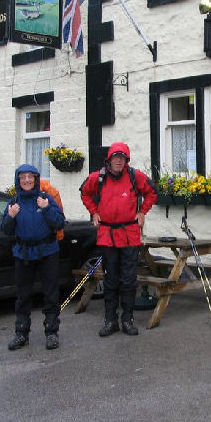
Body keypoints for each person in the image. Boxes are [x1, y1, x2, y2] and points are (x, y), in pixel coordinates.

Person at [80, 143, 157, 337]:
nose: (118, 161)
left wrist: (142, 212)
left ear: (126, 160)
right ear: (109, 159)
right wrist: (94, 212)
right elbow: (85, 192)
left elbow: (152, 192)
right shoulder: (97, 178)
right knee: (110, 279)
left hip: (129, 234)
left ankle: (127, 319)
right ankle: (110, 320)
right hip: (107, 234)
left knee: (129, 279)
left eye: (122, 158)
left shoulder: (135, 176)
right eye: (115, 157)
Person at [1, 164, 66, 351]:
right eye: (23, 177)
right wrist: (11, 216)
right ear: (18, 180)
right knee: (23, 296)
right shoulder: (14, 202)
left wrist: (46, 209)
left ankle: (51, 332)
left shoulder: (45, 199)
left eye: (30, 177)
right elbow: (5, 230)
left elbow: (59, 222)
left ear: (36, 179)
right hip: (23, 254)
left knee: (51, 294)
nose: (27, 180)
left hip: (48, 252)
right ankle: (21, 333)